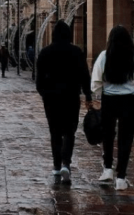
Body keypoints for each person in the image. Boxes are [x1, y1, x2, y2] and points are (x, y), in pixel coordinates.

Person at [91, 25, 134, 190]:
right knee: (126, 138)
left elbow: (96, 80)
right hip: (128, 101)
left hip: (109, 100)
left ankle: (107, 169)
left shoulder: (104, 55)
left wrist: (97, 95)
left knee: (107, 135)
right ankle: (121, 178)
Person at [36, 21, 93, 183]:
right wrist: (88, 96)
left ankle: (56, 166)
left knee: (54, 132)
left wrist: (45, 94)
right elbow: (84, 76)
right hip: (71, 98)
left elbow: (39, 81)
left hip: (51, 99)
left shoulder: (45, 52)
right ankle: (66, 163)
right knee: (69, 131)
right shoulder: (76, 52)